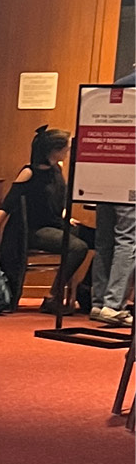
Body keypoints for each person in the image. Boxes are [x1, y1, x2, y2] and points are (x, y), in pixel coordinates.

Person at [0, 126, 94, 315]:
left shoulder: (57, 169)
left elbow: (54, 201)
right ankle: (53, 297)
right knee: (77, 247)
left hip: (55, 224)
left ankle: (86, 289)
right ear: (54, 150)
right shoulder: (29, 173)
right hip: (33, 230)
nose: (69, 152)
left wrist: (65, 215)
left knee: (102, 239)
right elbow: (6, 207)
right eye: (66, 148)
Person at [89, 71, 136, 327]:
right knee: (127, 240)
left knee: (104, 240)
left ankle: (98, 303)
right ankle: (113, 304)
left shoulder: (115, 88)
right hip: (130, 174)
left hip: (101, 172)